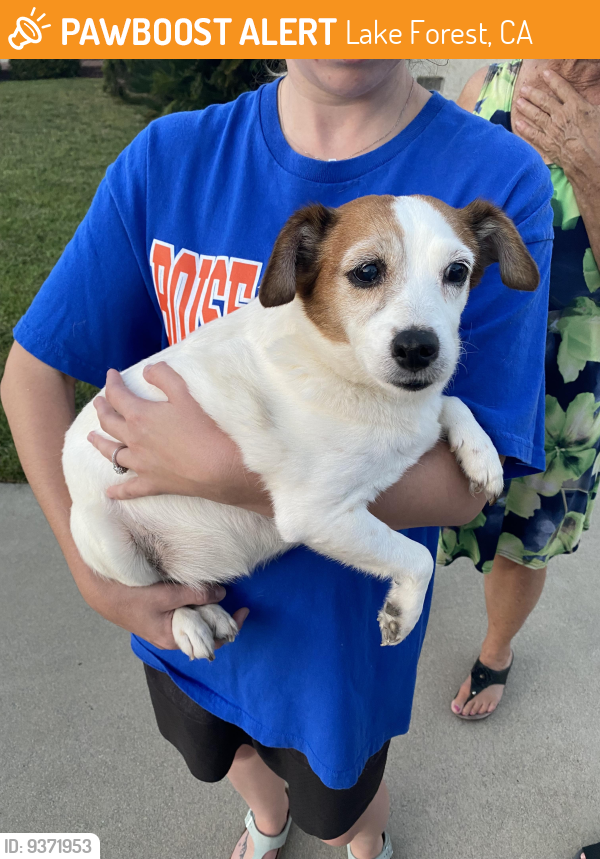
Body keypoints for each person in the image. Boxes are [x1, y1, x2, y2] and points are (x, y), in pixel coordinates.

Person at [1, 60, 553, 859]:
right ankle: (265, 817)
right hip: (174, 610)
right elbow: (30, 372)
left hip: (337, 657)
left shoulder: (500, 174)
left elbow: (468, 482)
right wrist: (96, 579)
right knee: (224, 754)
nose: (419, 325)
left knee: (343, 802)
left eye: (450, 278)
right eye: (368, 274)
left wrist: (220, 469)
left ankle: (361, 838)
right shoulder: (167, 160)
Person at [438, 59, 600, 721]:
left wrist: (588, 163)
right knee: (423, 497)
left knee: (524, 536)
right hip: (468, 349)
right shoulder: (488, 82)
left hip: (567, 380)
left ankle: (497, 648)